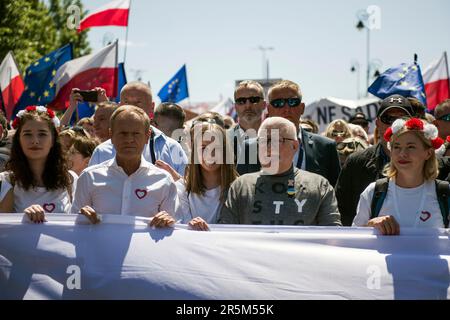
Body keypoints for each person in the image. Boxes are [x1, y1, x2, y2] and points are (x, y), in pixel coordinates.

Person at [219, 117, 341, 226]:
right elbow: (225, 233)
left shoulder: (319, 186)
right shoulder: (240, 186)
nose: (268, 147)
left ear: (294, 146)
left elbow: (332, 236)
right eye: (262, 141)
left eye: (276, 141)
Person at [71, 105, 179, 227]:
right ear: (111, 135)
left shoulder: (165, 181)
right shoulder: (89, 178)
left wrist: (168, 222)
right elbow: (72, 227)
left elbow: (175, 230)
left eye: (136, 134)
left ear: (147, 136)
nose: (129, 140)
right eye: (123, 133)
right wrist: (79, 218)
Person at [237, 80, 341, 187]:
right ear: (269, 109)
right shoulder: (250, 147)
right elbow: (241, 191)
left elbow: (335, 195)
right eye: (278, 103)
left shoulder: (325, 147)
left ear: (302, 108)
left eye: (293, 102)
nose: (286, 109)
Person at [353, 118, 448, 234]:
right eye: (396, 147)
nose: (402, 154)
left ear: (428, 153)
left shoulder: (445, 193)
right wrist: (371, 224)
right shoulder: (373, 192)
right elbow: (355, 238)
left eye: (411, 147)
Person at [336, 94, 415, 226]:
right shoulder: (356, 163)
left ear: (413, 124)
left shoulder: (431, 162)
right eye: (388, 118)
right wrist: (368, 227)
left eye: (402, 119)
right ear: (377, 123)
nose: (395, 124)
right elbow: (341, 211)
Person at [88, 82, 188, 176]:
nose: (131, 108)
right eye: (126, 102)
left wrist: (175, 180)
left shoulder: (171, 148)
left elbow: (188, 190)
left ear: (151, 107)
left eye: (138, 102)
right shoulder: (101, 152)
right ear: (119, 107)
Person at [0, 106, 75, 222]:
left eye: (42, 134)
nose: (35, 140)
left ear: (53, 140)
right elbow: (4, 230)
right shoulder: (7, 181)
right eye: (27, 134)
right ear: (18, 140)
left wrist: (87, 215)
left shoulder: (70, 179)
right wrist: (22, 219)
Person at [229, 80, 266, 164]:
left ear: (264, 104)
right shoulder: (223, 140)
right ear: (235, 107)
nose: (248, 105)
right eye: (241, 101)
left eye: (254, 100)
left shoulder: (279, 138)